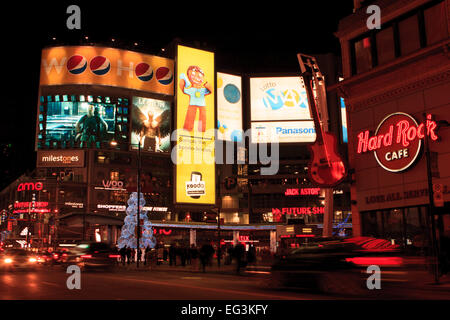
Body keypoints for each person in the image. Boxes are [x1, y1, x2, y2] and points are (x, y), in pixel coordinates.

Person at [179, 65, 212, 132]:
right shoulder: (191, 89)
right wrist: (182, 83)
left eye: (199, 76)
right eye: (193, 76)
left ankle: (202, 130)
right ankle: (187, 128)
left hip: (202, 104)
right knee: (190, 116)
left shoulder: (203, 90)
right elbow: (184, 90)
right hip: (192, 104)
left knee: (203, 117)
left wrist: (207, 84)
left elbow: (210, 90)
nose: (196, 78)